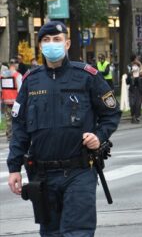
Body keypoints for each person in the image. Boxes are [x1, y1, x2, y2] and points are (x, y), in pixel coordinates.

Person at [7, 21, 120, 236]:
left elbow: (111, 113)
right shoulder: (31, 81)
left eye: (57, 40)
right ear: (40, 46)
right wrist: (14, 168)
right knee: (50, 233)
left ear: (67, 43)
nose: (52, 44)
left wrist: (99, 136)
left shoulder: (87, 76)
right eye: (46, 40)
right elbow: (19, 126)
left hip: (79, 172)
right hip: (43, 176)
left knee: (77, 232)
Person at [2, 60, 23, 140]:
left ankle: (9, 135)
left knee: (8, 118)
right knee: (17, 118)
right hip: (16, 101)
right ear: (14, 65)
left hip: (6, 100)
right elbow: (21, 90)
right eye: (17, 64)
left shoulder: (3, 75)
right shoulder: (17, 75)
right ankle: (16, 135)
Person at [126, 60, 142, 124]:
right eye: (133, 65)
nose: (134, 67)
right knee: (132, 104)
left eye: (136, 66)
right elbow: (127, 82)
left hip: (139, 91)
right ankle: (133, 116)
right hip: (132, 91)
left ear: (138, 67)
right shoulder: (130, 74)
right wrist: (129, 75)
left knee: (138, 105)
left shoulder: (141, 75)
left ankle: (136, 117)